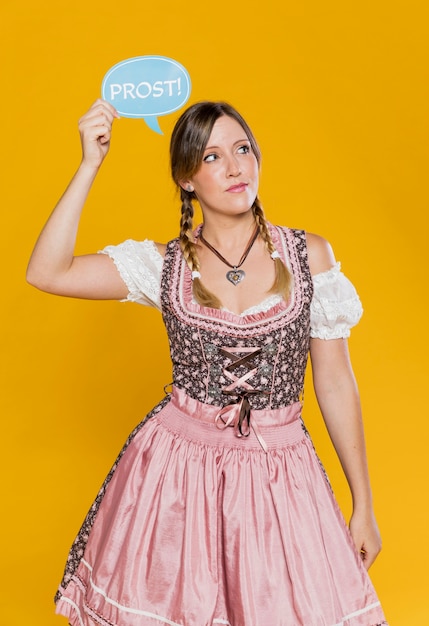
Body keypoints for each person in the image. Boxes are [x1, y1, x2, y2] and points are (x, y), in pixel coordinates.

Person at [27, 99, 387, 626]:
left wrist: (363, 504)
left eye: (242, 149)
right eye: (213, 156)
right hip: (177, 473)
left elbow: (334, 380)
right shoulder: (164, 264)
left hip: (280, 472)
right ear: (187, 178)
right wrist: (89, 166)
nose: (236, 167)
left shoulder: (309, 255)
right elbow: (47, 271)